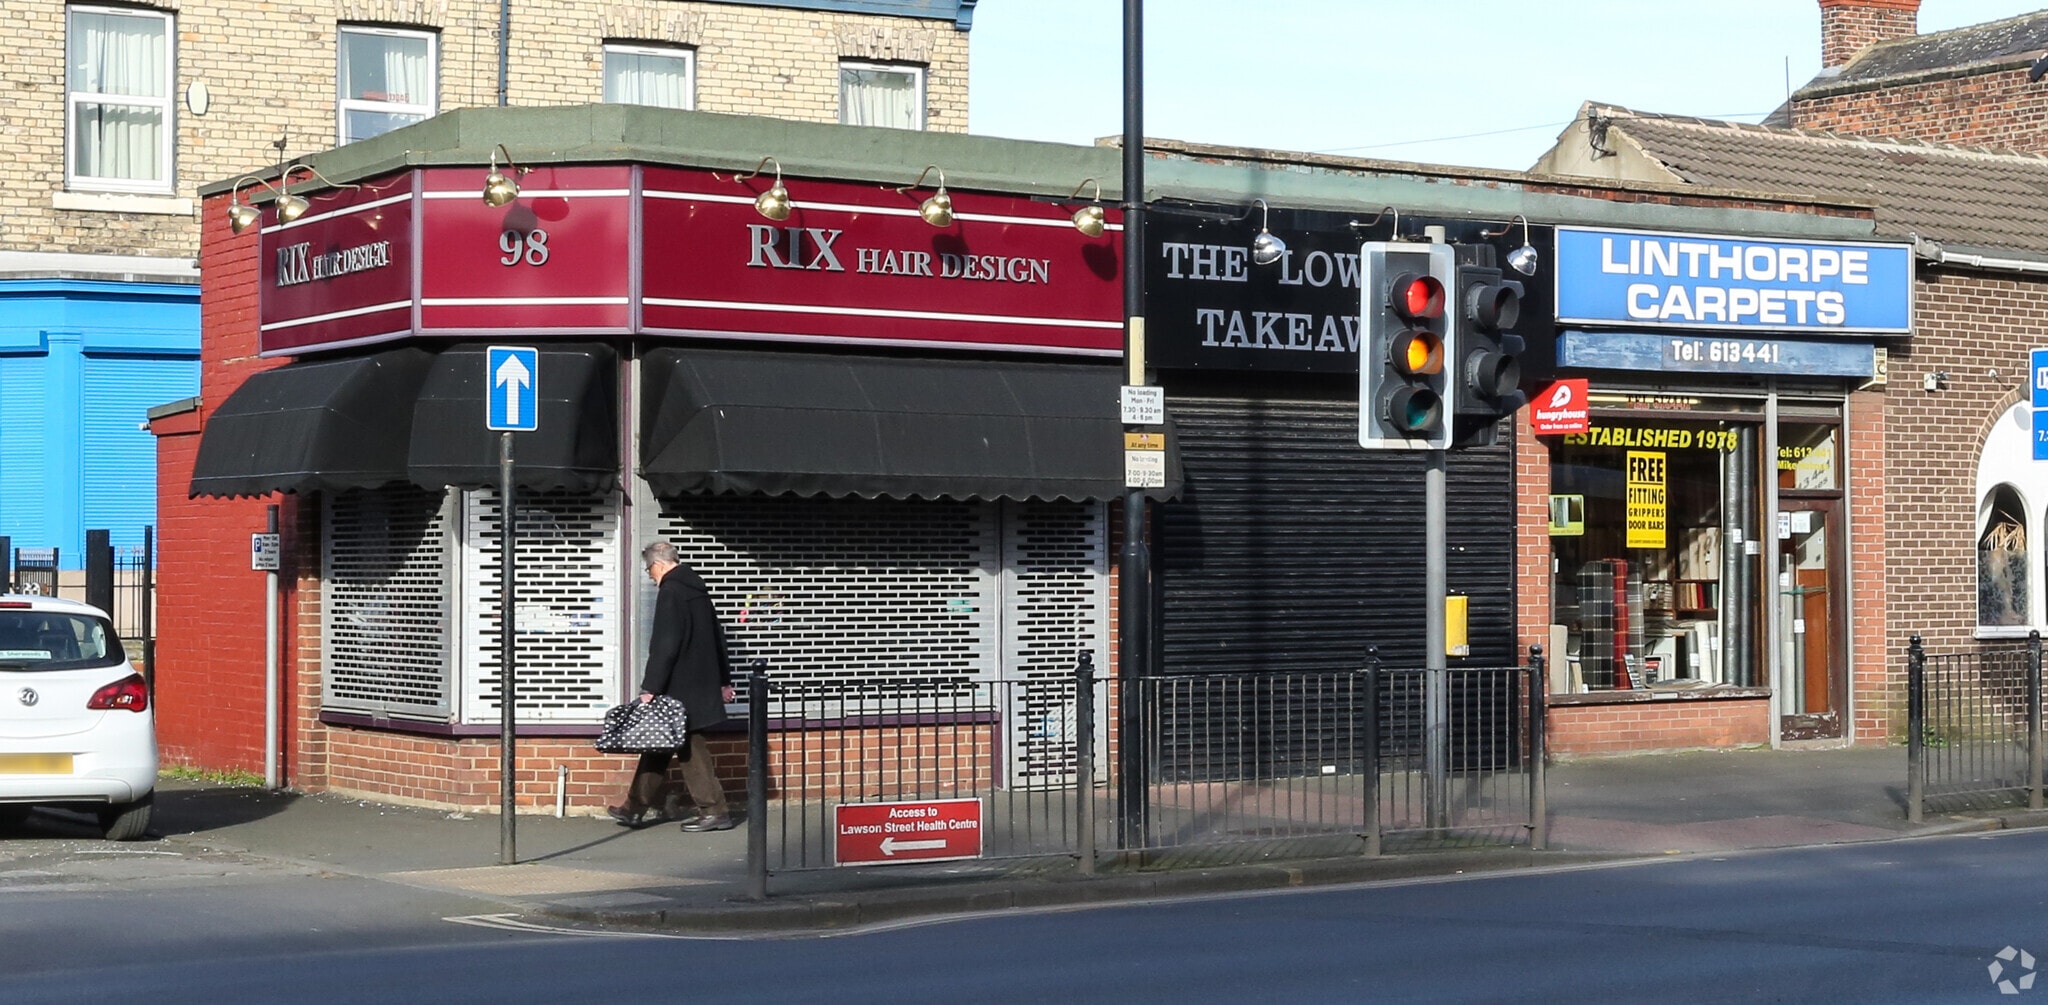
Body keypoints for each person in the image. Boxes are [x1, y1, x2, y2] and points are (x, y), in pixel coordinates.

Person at [608, 541, 738, 832]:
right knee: (657, 744)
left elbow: (665, 644)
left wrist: (650, 687)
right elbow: (717, 637)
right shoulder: (697, 589)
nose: (650, 576)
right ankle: (634, 808)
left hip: (681, 687)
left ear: (658, 564)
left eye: (649, 570)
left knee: (691, 749)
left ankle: (715, 811)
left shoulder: (672, 591)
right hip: (700, 683)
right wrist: (723, 680)